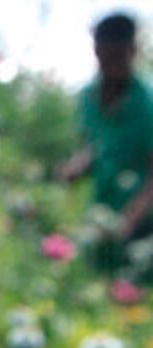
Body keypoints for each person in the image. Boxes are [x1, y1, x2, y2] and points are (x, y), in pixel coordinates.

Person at [59, 12, 153, 244]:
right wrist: (78, 166)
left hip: (143, 231)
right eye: (104, 57)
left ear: (133, 52)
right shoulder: (88, 97)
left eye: (117, 57)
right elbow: (96, 147)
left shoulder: (148, 102)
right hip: (101, 215)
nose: (110, 67)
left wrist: (126, 223)